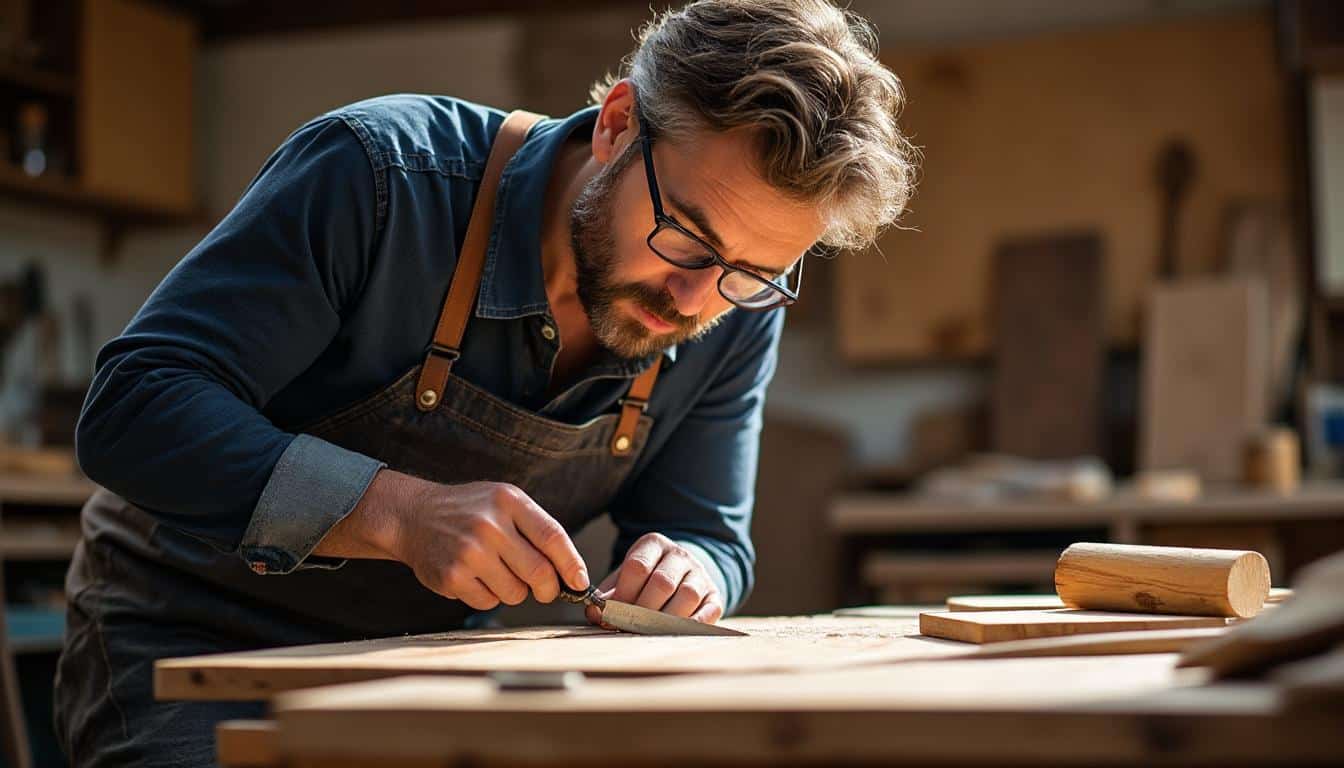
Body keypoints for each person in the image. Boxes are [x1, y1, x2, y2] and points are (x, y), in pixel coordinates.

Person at [54, 0, 916, 764]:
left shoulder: (734, 304)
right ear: (617, 123)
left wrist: (691, 571)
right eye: (684, 235)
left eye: (753, 271)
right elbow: (133, 407)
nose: (696, 295)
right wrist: (396, 512)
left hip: (430, 671)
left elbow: (708, 533)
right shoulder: (380, 176)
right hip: (192, 651)